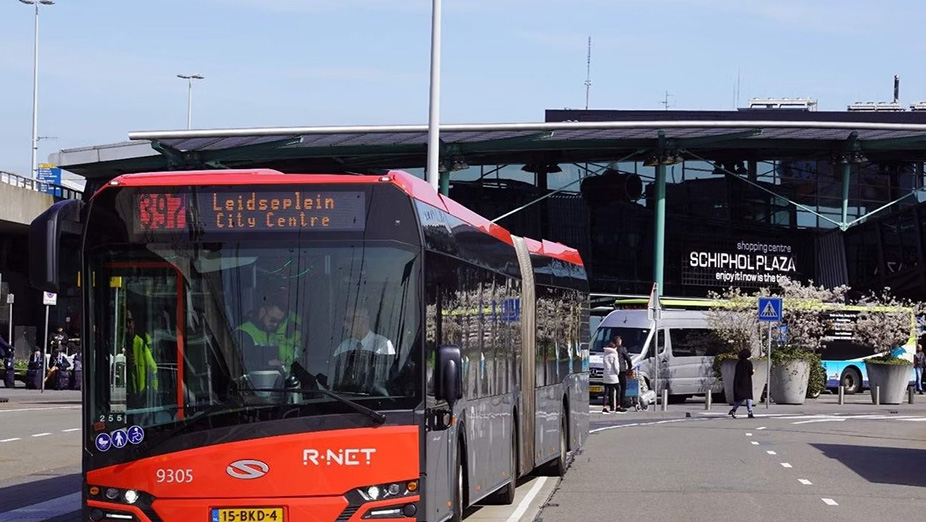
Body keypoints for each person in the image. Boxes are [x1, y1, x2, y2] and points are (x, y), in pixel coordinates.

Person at [326, 305, 395, 392]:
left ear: (362, 321)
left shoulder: (383, 344)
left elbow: (387, 378)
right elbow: (334, 377)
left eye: (348, 320)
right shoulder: (343, 347)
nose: (344, 325)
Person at [236, 295, 302, 369]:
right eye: (273, 320)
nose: (276, 324)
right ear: (262, 312)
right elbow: (237, 365)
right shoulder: (243, 333)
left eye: (279, 322)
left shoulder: (273, 335)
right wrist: (266, 364)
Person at [124, 309, 159, 405]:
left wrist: (154, 390)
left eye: (129, 321)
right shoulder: (122, 342)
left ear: (134, 323)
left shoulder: (142, 341)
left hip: (142, 392)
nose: (127, 325)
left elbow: (153, 367)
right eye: (125, 322)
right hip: (128, 392)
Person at [728, 349, 755, 419]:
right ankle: (750, 411)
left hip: (738, 381)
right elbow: (750, 372)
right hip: (746, 382)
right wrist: (753, 371)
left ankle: (734, 409)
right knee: (748, 397)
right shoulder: (748, 363)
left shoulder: (738, 363)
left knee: (740, 398)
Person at [601, 341, 622, 414]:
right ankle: (618, 406)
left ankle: (604, 407)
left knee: (606, 392)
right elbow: (616, 366)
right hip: (613, 376)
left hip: (606, 375)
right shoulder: (614, 355)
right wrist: (617, 373)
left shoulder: (605, 355)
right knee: (618, 389)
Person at [613, 336, 633, 411]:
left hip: (613, 371)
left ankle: (613, 404)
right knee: (623, 387)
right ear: (620, 341)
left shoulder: (612, 349)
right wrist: (630, 367)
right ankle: (621, 403)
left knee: (614, 387)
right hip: (621, 370)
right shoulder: (622, 349)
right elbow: (628, 358)